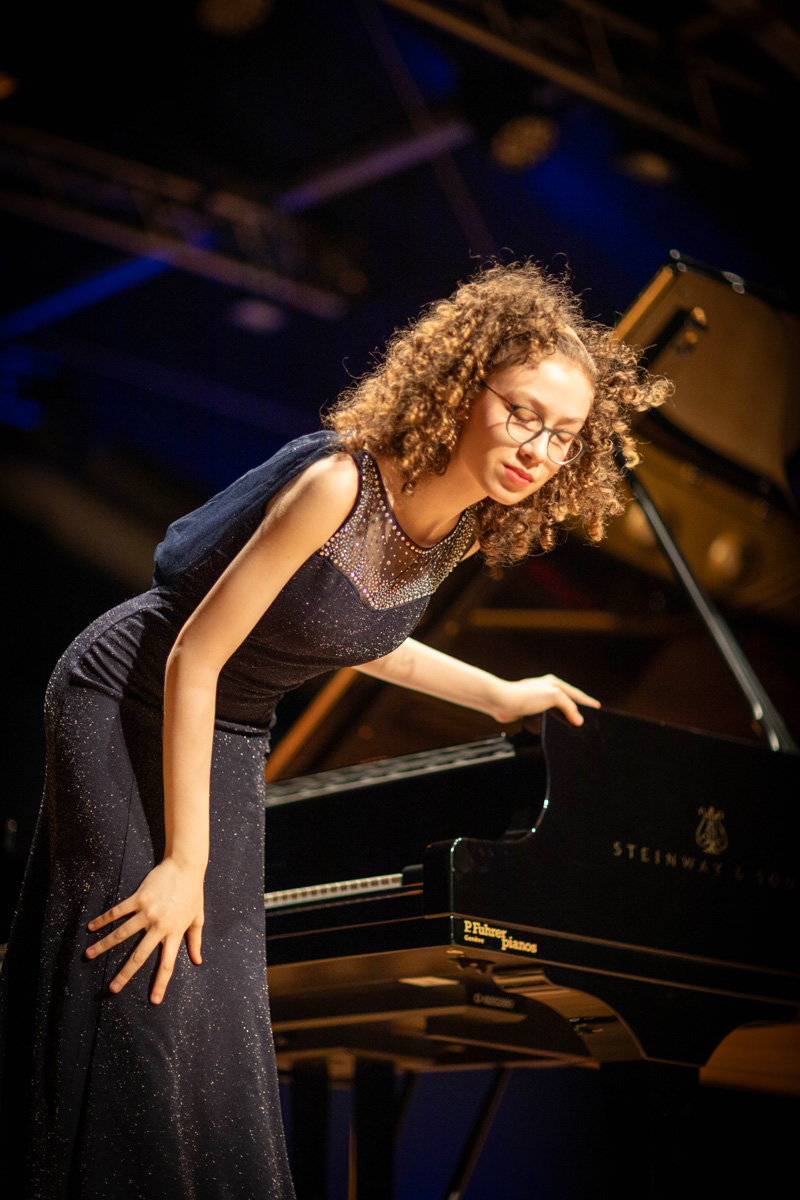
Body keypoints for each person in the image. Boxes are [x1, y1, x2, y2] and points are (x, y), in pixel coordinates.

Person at [0, 260, 667, 1198]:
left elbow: (356, 633)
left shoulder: (458, 525)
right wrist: (185, 861)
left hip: (230, 727)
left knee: (219, 1003)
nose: (538, 449)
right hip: (127, 693)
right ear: (463, 389)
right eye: (523, 414)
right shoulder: (336, 484)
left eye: (562, 436)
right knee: (141, 965)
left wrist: (499, 694)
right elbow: (195, 656)